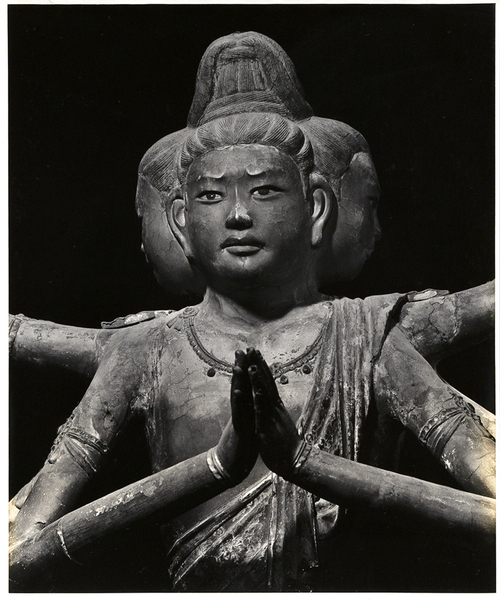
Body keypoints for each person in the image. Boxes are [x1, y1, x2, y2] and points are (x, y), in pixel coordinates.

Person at [9, 32, 495, 592]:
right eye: (211, 196)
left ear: (315, 208)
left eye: (265, 191)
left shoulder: (370, 338)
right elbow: (19, 555)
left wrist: (308, 463)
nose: (238, 215)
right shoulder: (146, 350)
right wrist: (216, 466)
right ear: (180, 221)